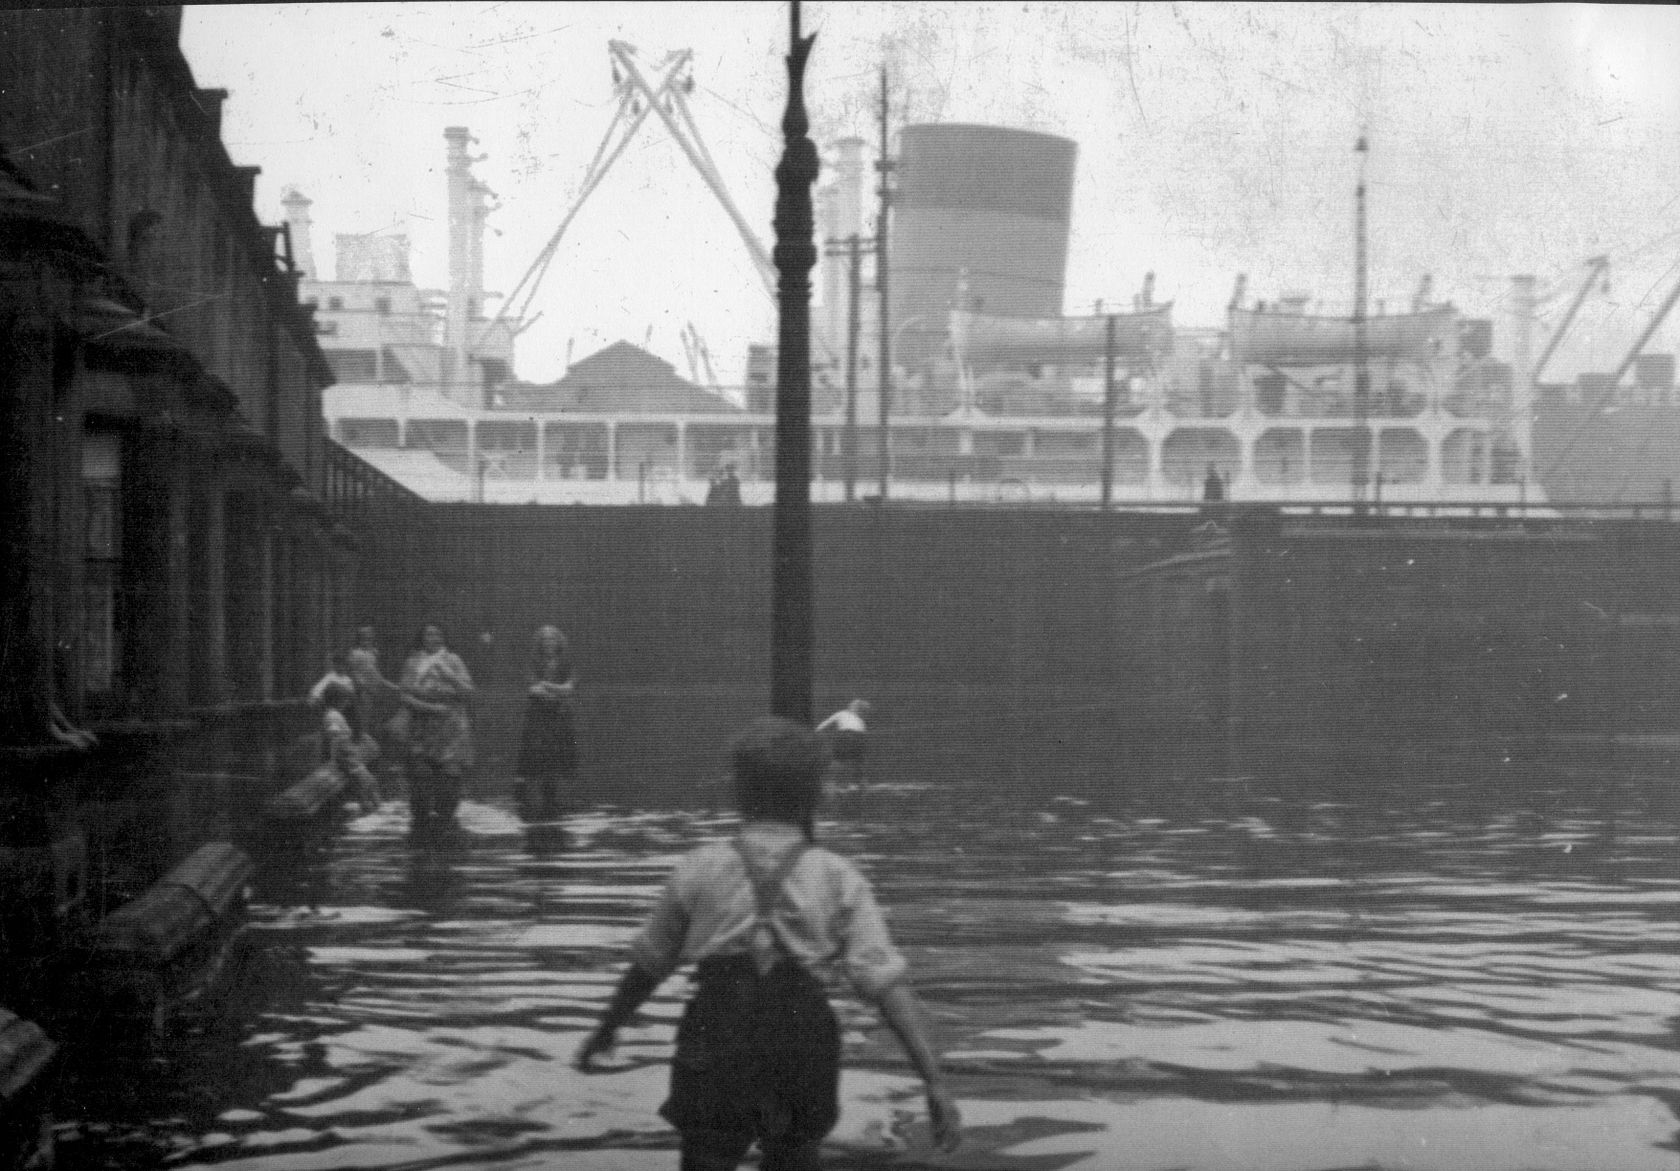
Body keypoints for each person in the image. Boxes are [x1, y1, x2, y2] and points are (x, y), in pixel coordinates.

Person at [574, 716, 961, 1171]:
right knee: (795, 1155)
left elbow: (649, 965)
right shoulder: (838, 876)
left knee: (707, 1154)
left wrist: (607, 1029)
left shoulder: (699, 867)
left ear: (739, 792)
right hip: (802, 1041)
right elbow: (885, 984)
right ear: (818, 795)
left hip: (715, 1037)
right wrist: (933, 1081)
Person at [398, 623, 476, 839]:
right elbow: (404, 695)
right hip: (422, 727)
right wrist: (431, 706)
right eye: (428, 634)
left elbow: (468, 692)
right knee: (420, 781)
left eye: (438, 634)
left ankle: (446, 831)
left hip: (452, 729)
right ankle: (420, 836)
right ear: (421, 638)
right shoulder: (413, 662)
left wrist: (449, 675)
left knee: (449, 781)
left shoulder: (454, 660)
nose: (433, 638)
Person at [515, 624, 578, 822]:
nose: (549, 643)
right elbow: (533, 690)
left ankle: (554, 805)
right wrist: (554, 690)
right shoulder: (532, 662)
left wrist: (546, 685)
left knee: (558, 762)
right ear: (539, 643)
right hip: (538, 718)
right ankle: (530, 803)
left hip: (560, 718)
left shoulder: (567, 663)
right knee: (535, 761)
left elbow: (570, 688)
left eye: (552, 639)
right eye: (545, 639)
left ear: (559, 642)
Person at [320, 682, 381, 813]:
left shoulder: (334, 714)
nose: (347, 704)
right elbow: (334, 734)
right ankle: (373, 808)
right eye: (344, 700)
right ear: (337, 700)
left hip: (348, 756)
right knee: (368, 781)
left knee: (367, 781)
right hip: (346, 757)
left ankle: (369, 806)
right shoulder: (333, 715)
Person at [815, 699, 871, 785]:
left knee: (838, 761)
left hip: (845, 736)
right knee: (858, 761)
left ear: (854, 708)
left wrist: (815, 732)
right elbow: (863, 737)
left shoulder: (842, 713)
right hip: (858, 737)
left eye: (852, 705)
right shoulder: (861, 721)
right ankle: (860, 783)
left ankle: (831, 782)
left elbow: (824, 724)